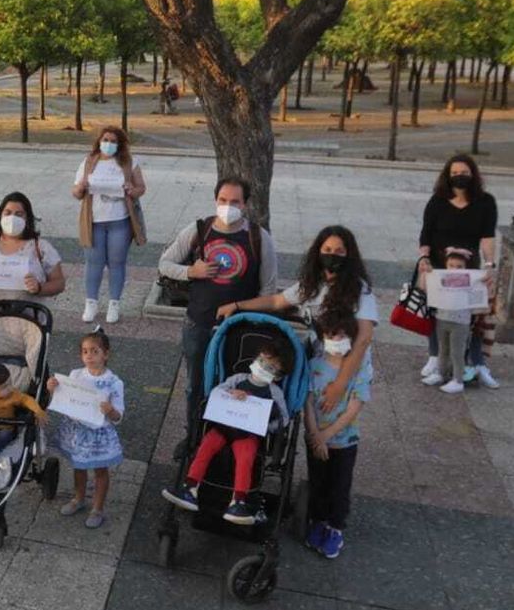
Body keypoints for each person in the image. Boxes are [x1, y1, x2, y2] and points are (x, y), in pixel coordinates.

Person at [220, 224, 379, 556]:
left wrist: (340, 384)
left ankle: (334, 524)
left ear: (349, 255)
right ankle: (318, 516)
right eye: (327, 250)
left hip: (346, 372)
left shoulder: (359, 291)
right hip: (318, 368)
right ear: (318, 252)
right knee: (317, 454)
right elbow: (277, 301)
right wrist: (238, 305)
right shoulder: (312, 284)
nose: (332, 257)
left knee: (339, 461)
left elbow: (364, 338)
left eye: (339, 251)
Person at [158, 176, 278, 430]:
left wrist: (244, 310)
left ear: (245, 204)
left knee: (234, 385)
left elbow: (268, 291)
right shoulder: (199, 230)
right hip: (198, 324)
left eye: (235, 201)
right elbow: (164, 264)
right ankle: (194, 434)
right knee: (195, 385)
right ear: (215, 200)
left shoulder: (258, 237)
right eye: (223, 200)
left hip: (239, 329)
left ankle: (224, 436)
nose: (228, 206)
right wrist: (191, 271)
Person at [161, 338, 291, 525]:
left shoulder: (274, 392)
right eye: (261, 361)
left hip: (248, 433)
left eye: (269, 367)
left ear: (277, 375)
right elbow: (217, 392)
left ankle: (238, 502)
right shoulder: (238, 379)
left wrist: (264, 423)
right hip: (223, 426)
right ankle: (190, 488)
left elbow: (283, 419)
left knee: (245, 459)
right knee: (205, 448)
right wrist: (231, 393)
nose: (262, 367)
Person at [416, 155, 500, 389]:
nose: (459, 177)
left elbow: (487, 237)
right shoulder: (437, 201)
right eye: (454, 173)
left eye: (464, 172)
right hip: (438, 266)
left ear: (473, 175)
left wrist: (490, 265)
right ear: (447, 176)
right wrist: (423, 258)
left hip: (468, 268)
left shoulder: (485, 202)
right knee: (435, 313)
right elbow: (426, 234)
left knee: (474, 315)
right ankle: (435, 358)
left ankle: (478, 363)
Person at [303, 304, 367, 560]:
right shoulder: (314, 364)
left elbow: (355, 406)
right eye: (331, 335)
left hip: (343, 441)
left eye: (342, 335)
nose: (336, 340)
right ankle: (317, 521)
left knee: (340, 486)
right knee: (318, 483)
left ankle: (335, 527)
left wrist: (326, 435)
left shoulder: (357, 369)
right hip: (315, 439)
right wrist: (314, 434)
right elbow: (307, 401)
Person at [47, 330, 125, 530]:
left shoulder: (114, 383)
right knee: (79, 466)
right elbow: (65, 398)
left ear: (106, 354)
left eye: (94, 351)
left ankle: (97, 508)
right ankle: (79, 498)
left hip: (98, 435)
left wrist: (110, 411)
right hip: (77, 431)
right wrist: (53, 388)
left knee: (100, 470)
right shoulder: (76, 375)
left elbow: (118, 416)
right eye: (85, 351)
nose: (89, 356)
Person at [72, 126, 146, 324]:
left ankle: (114, 303)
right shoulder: (89, 161)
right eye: (105, 140)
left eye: (113, 141)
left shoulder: (129, 162)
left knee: (117, 262)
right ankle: (91, 302)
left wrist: (132, 189)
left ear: (120, 144)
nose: (109, 144)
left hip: (120, 221)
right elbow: (76, 192)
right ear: (99, 141)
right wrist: (81, 187)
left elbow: (141, 188)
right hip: (94, 221)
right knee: (93, 263)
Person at [0, 192, 67, 318]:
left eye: (19, 214)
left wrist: (39, 288)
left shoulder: (41, 248)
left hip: (30, 321)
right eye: (7, 213)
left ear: (27, 218)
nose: (12, 218)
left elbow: (59, 283)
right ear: (0, 216)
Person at [421, 247, 477, 395]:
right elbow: (425, 289)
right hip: (442, 318)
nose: (454, 269)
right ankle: (440, 373)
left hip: (460, 322)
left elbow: (481, 296)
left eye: (459, 266)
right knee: (443, 349)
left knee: (457, 352)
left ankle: (458, 380)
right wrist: (425, 273)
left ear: (466, 268)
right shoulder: (442, 279)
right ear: (446, 265)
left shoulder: (470, 282)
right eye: (451, 265)